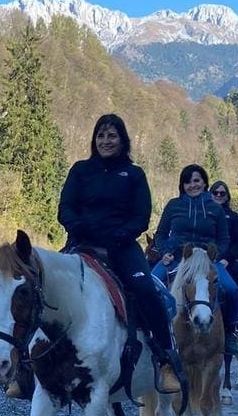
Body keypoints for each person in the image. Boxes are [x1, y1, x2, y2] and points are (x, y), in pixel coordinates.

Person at [57, 114, 184, 395]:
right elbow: (65, 207)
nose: (105, 141)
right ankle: (26, 365)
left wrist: (120, 235)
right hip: (82, 244)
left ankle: (165, 361)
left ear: (123, 140)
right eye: (101, 135)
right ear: (94, 139)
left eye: (112, 136)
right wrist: (77, 227)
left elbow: (141, 216)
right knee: (44, 284)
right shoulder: (80, 170)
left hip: (122, 246)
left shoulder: (134, 174)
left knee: (146, 290)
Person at [152, 164, 238, 354]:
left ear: (205, 182)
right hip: (177, 257)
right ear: (182, 185)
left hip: (206, 259)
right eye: (187, 182)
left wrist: (216, 254)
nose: (192, 185)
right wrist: (164, 251)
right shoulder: (174, 205)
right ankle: (150, 334)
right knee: (149, 284)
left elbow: (223, 239)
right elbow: (161, 234)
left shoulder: (215, 208)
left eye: (196, 180)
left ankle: (231, 330)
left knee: (231, 289)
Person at [208, 180, 238, 310]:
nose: (219, 195)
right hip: (204, 257)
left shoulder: (233, 217)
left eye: (222, 193)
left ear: (227, 196)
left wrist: (228, 258)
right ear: (210, 194)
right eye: (216, 192)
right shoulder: (203, 214)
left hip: (227, 258)